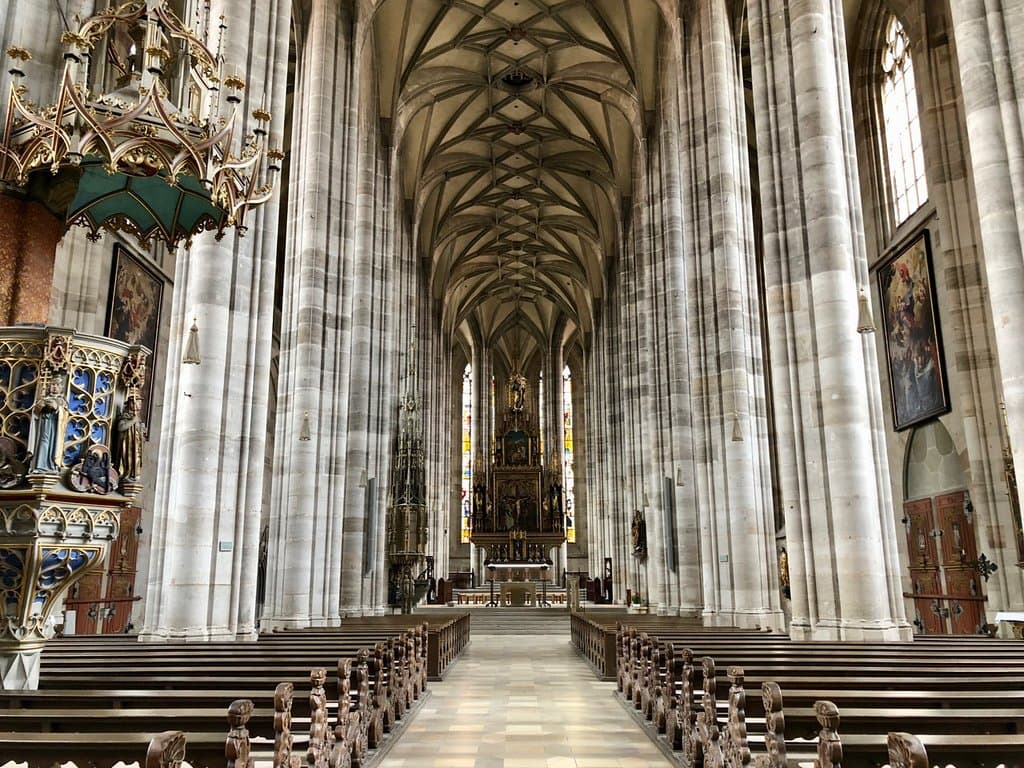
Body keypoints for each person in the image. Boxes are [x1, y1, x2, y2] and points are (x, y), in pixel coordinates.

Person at [28, 377, 66, 474]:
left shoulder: (61, 401)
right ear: (49, 387)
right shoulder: (44, 399)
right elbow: (35, 414)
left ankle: (52, 465)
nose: (55, 387)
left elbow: (65, 415)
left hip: (55, 427)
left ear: (61, 388)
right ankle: (40, 466)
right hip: (43, 425)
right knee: (43, 443)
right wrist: (39, 408)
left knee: (53, 445)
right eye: (53, 385)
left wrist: (57, 408)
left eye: (57, 385)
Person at [114, 396, 144, 480]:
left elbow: (139, 432)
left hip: (136, 444)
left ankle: (134, 474)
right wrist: (132, 421)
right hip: (127, 445)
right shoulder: (125, 416)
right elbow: (120, 428)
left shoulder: (137, 418)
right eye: (138, 403)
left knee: (136, 458)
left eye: (140, 404)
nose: (139, 405)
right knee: (127, 459)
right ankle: (127, 473)